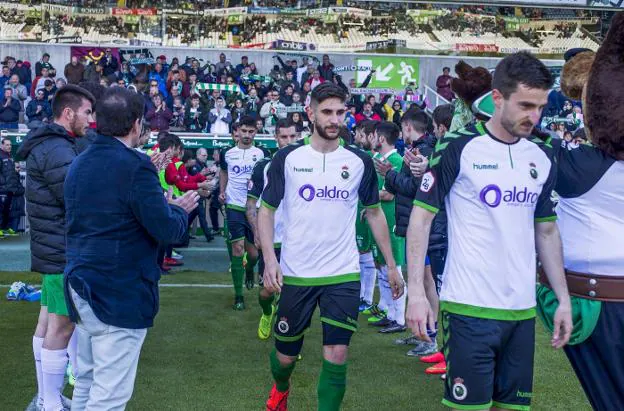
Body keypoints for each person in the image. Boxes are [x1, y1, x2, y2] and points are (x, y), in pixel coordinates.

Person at [405, 52, 573, 411]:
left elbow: (546, 231)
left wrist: (563, 298)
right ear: (497, 98)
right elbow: (421, 218)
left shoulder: (541, 155)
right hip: (469, 309)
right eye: (525, 105)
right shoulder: (458, 146)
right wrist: (416, 293)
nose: (535, 116)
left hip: (521, 312)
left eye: (541, 106)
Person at [259, 82, 404, 410]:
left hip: (342, 274)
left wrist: (392, 265)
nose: (334, 119)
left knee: (337, 354)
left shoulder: (359, 161)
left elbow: (374, 212)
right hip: (297, 274)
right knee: (284, 357)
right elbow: (266, 211)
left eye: (340, 112)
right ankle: (281, 388)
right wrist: (270, 260)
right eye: (327, 112)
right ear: (310, 113)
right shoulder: (288, 158)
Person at [63, 87, 198, 410]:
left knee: (87, 382)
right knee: (108, 395)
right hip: (117, 291)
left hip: (82, 285)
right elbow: (166, 229)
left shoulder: (80, 163)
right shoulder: (135, 167)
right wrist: (180, 209)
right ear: (137, 124)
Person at [16, 84, 96, 411]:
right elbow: (75, 196)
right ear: (69, 113)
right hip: (61, 249)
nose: (91, 119)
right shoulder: (56, 149)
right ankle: (49, 402)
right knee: (60, 325)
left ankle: (47, 398)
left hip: (54, 246)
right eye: (87, 112)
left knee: (50, 320)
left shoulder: (55, 145)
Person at [246, 119, 298, 341]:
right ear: (276, 138)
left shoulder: (309, 164)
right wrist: (257, 231)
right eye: (283, 137)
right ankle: (267, 312)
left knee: (293, 294)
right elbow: (251, 204)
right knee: (267, 291)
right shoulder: (263, 167)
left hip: (296, 241)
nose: (288, 141)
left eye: (292, 136)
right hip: (272, 240)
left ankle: (289, 339)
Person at [219, 115, 268, 309]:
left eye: (251, 131)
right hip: (234, 205)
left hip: (255, 207)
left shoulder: (263, 153)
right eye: (244, 131)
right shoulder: (227, 153)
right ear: (237, 131)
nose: (247, 135)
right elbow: (224, 172)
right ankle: (238, 296)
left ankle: (250, 271)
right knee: (237, 248)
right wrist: (222, 191)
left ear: (256, 131)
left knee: (254, 253)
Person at [370, 122, 408, 334]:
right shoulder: (380, 160)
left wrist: (365, 195)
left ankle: (400, 319)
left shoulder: (395, 161)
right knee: (384, 269)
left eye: (374, 135)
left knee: (395, 268)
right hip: (381, 219)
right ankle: (391, 314)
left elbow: (390, 194)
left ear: (381, 139)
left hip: (392, 221)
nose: (372, 139)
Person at [0, 137, 21, 236]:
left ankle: (4, 228)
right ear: (2, 145)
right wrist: (3, 183)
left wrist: (16, 170)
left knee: (7, 210)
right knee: (1, 209)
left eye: (10, 145)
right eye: (7, 145)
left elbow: (11, 172)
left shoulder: (10, 156)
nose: (9, 146)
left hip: (10, 188)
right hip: (3, 188)